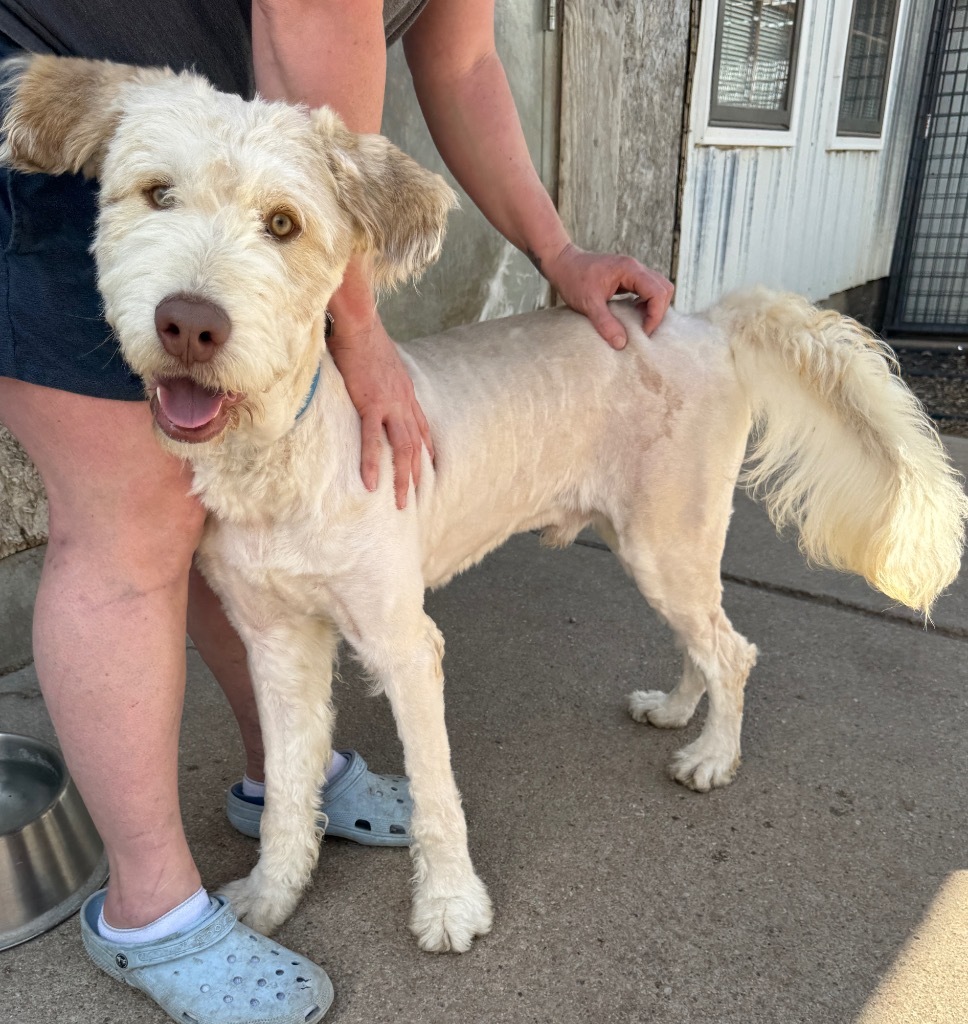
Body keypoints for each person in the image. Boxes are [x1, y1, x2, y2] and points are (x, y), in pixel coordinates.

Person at [0, 1, 674, 1020]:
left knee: (237, 545)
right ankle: (152, 912)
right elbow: (312, 16)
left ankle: (289, 783)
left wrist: (557, 251)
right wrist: (359, 334)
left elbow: (462, 58)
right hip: (97, 95)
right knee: (132, 531)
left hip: (238, 135)